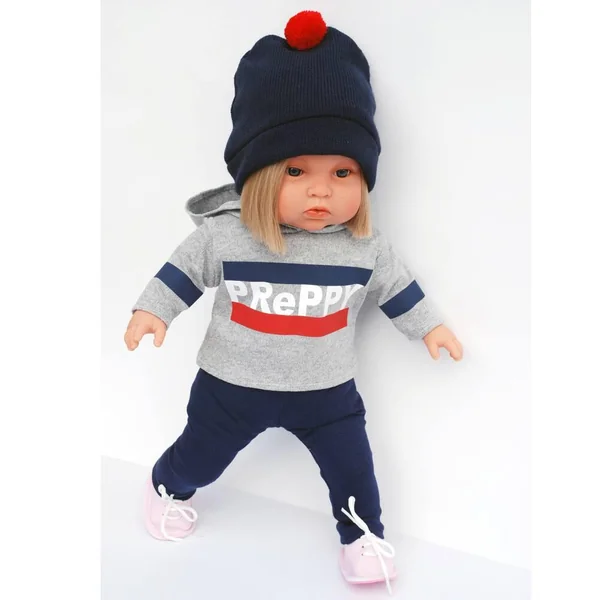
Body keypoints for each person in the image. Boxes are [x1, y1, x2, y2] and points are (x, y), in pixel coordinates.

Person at [124, 10, 463, 594]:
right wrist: (152, 310)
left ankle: (361, 537)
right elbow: (182, 271)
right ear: (257, 175)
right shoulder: (227, 235)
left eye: (343, 171)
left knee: (354, 471)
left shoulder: (364, 246)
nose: (321, 190)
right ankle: (167, 488)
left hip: (327, 395)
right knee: (199, 459)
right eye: (297, 170)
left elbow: (398, 289)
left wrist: (430, 327)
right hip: (229, 389)